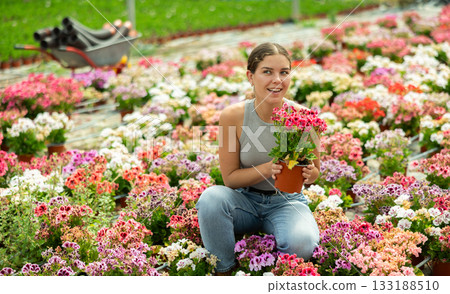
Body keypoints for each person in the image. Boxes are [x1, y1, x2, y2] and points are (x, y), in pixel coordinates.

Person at [196, 42, 320, 275]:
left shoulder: (302, 117)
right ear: (250, 77)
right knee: (211, 199)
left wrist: (310, 173)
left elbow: (315, 174)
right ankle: (225, 270)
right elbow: (230, 179)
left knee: (302, 244)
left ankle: (276, 273)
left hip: (287, 202)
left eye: (284, 72)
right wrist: (269, 168)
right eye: (267, 72)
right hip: (244, 202)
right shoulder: (233, 116)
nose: (277, 80)